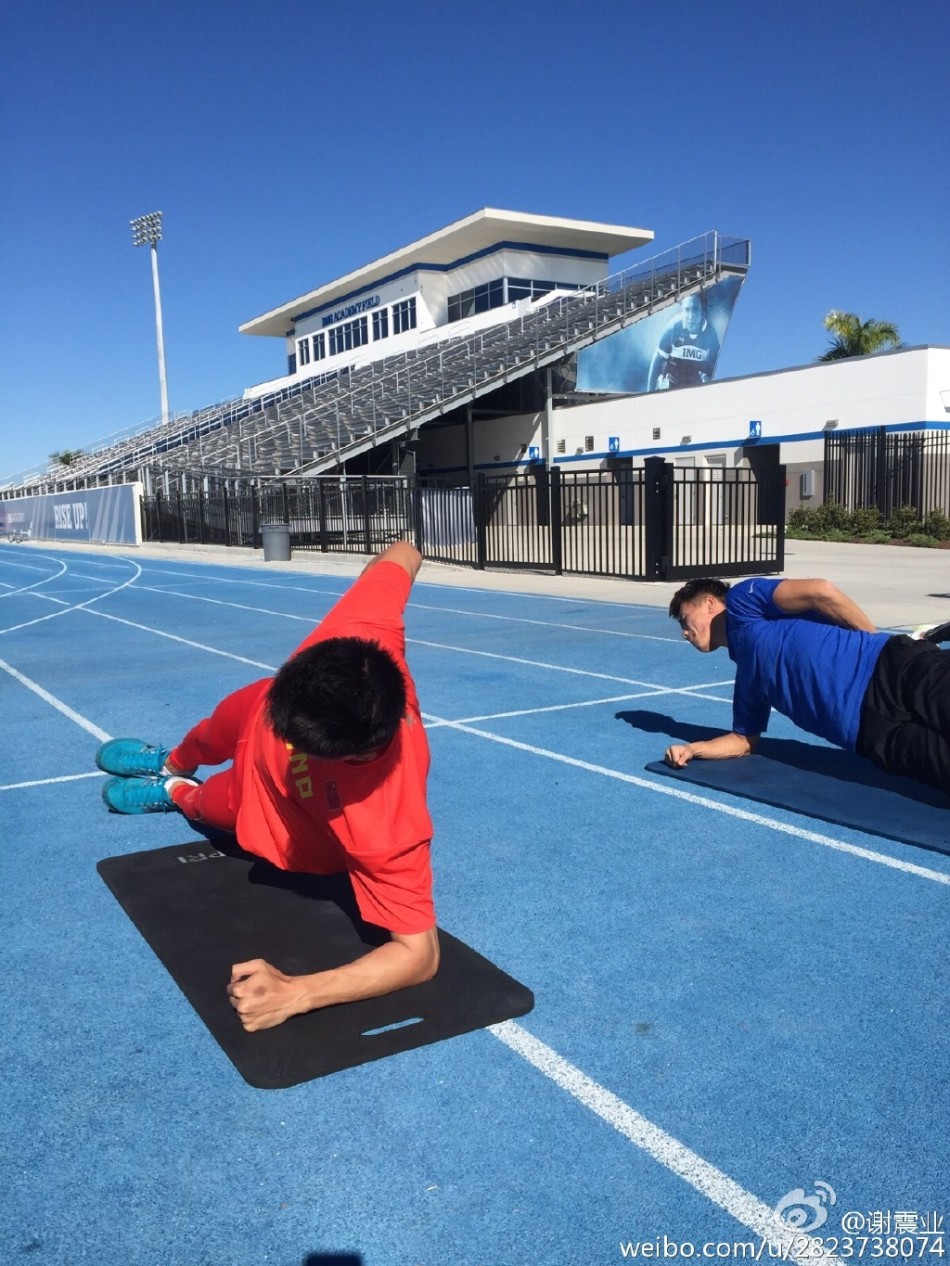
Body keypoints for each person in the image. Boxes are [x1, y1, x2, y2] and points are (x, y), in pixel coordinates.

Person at [96, 541, 439, 1032]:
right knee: (206, 734)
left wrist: (298, 993)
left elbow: (420, 956)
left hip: (278, 809)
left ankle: (174, 794)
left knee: (206, 805)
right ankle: (170, 759)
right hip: (259, 704)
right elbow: (403, 552)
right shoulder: (365, 632)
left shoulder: (388, 826)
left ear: (352, 755)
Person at [664, 575, 950, 795]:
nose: (684, 632)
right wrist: (693, 749)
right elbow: (742, 742)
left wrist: (870, 641)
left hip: (893, 671)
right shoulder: (747, 678)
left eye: (686, 619)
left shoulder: (742, 602)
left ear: (710, 604)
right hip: (874, 733)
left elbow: (820, 591)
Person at [648, 291, 721, 391]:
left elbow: (714, 365)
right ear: (682, 310)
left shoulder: (710, 333)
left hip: (694, 390)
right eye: (687, 310)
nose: (691, 316)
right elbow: (658, 358)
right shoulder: (673, 328)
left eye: (695, 309)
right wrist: (649, 393)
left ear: (702, 310)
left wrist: (709, 379)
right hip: (671, 388)